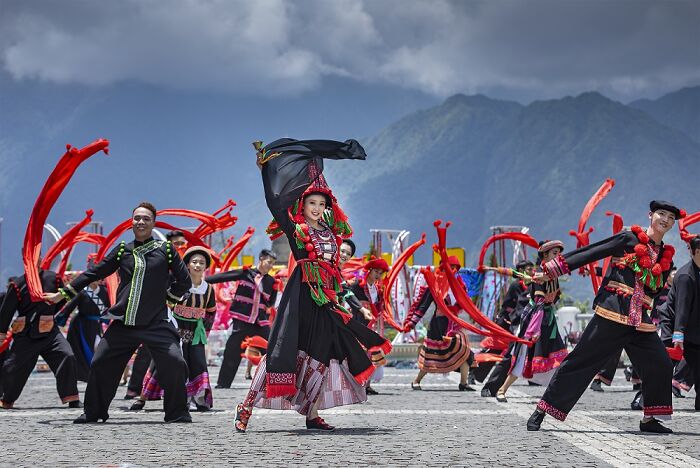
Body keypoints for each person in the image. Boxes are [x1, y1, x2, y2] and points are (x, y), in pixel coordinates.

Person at [234, 138, 390, 432]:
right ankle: (246, 405)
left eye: (321, 204)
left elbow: (334, 270)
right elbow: (274, 204)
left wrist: (338, 297)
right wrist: (265, 171)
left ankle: (312, 414)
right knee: (282, 352)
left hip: (327, 299)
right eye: (311, 203)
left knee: (324, 354)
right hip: (302, 297)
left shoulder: (332, 234)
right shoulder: (297, 231)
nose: (317, 208)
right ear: (301, 206)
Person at [527, 201, 680, 433]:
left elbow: (655, 290)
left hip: (640, 321)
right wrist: (551, 270)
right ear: (650, 215)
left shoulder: (664, 256)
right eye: (661, 214)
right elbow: (592, 252)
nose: (665, 219)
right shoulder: (628, 239)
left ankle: (650, 419)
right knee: (580, 362)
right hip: (612, 313)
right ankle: (542, 410)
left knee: (660, 363)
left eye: (670, 217)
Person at [44, 202, 192, 423]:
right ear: (131, 222)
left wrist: (168, 300)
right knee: (100, 362)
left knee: (175, 362)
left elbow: (184, 281)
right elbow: (95, 272)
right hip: (124, 323)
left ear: (153, 223)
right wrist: (62, 294)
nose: (141, 222)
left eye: (146, 219)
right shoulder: (123, 250)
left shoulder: (166, 250)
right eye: (137, 218)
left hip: (156, 322)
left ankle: (177, 413)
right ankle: (94, 412)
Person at [132, 246, 218, 412]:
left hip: (195, 333)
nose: (198, 265)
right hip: (174, 330)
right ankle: (143, 397)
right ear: (187, 265)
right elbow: (166, 304)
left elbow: (211, 312)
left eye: (201, 263)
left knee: (198, 364)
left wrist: (204, 332)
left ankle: (199, 399)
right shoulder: (178, 285)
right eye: (194, 262)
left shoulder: (208, 289)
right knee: (165, 362)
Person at [495, 241, 568, 402]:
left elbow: (555, 296)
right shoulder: (540, 274)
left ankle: (556, 395)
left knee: (557, 355)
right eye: (554, 253)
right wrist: (535, 328)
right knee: (523, 355)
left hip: (547, 319)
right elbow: (539, 299)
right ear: (545, 256)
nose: (558, 256)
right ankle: (502, 389)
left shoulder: (552, 274)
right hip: (533, 320)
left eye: (558, 253)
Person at [0, 270, 81, 408]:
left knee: (67, 355)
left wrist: (49, 312)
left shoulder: (53, 278)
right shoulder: (17, 284)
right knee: (11, 366)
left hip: (49, 332)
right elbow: (7, 310)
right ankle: (6, 398)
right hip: (26, 335)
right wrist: (1, 332)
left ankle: (71, 397)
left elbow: (62, 299)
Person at [124, 229, 187, 399]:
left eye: (183, 243)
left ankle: (168, 392)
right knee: (146, 351)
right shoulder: (160, 262)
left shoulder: (187, 264)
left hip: (181, 317)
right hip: (158, 314)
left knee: (174, 355)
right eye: (176, 244)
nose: (180, 247)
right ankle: (135, 388)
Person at [206, 249, 278, 388]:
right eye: (269, 262)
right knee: (232, 350)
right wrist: (202, 280)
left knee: (270, 349)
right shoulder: (246, 273)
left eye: (273, 264)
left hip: (260, 321)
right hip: (242, 319)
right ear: (261, 259)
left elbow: (270, 303)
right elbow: (224, 276)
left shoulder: (271, 281)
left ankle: (274, 383)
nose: (270, 266)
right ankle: (223, 383)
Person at [403, 255, 475, 391]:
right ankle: (416, 380)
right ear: (442, 268)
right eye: (449, 267)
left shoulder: (459, 285)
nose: (451, 270)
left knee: (465, 350)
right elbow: (422, 306)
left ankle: (463, 383)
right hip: (439, 325)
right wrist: (411, 323)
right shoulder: (434, 284)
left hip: (455, 324)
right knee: (432, 355)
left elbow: (466, 304)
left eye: (454, 268)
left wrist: (476, 318)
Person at [55, 279, 110, 382]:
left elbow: (109, 307)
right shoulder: (82, 291)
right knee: (80, 350)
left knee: (98, 347)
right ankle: (86, 374)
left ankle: (95, 373)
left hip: (95, 325)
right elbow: (70, 307)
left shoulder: (105, 291)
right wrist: (58, 320)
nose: (99, 279)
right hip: (80, 326)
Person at [350, 257, 390, 395]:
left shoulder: (378, 290)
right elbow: (349, 303)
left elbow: (379, 308)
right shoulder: (357, 286)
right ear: (370, 270)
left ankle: (367, 385)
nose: (378, 275)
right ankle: (356, 384)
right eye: (376, 272)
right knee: (359, 355)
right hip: (358, 324)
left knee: (371, 355)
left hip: (372, 326)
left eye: (381, 273)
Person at [671, 236, 700, 411]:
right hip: (682, 331)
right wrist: (678, 335)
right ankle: (645, 401)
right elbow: (681, 309)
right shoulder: (685, 276)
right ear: (695, 252)